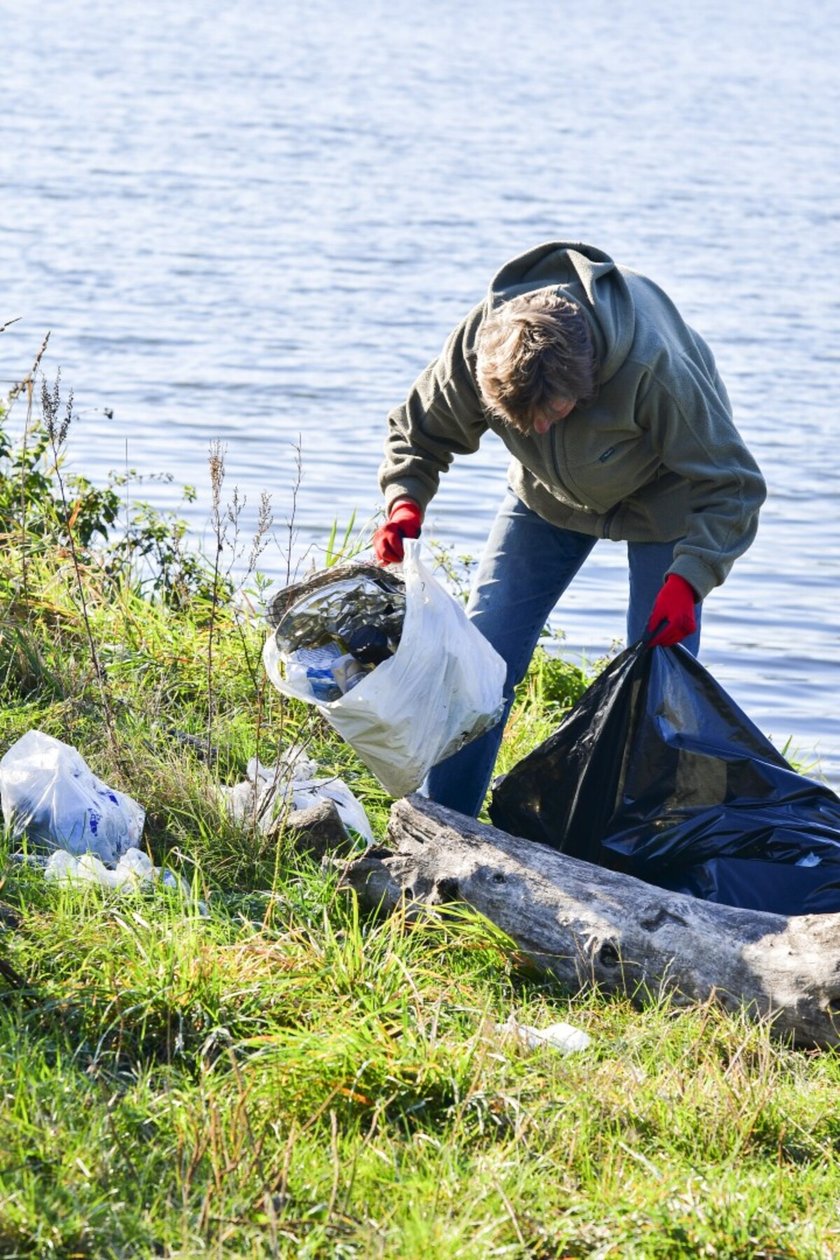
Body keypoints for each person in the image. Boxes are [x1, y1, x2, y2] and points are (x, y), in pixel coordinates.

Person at [373, 240, 766, 817]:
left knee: (660, 687)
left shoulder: (651, 367)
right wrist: (405, 503)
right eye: (517, 420)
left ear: (587, 387)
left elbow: (732, 483)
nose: (533, 426)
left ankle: (644, 851)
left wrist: (692, 577)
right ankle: (445, 828)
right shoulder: (480, 345)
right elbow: (418, 431)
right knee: (481, 662)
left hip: (663, 499)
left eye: (549, 415)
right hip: (543, 498)